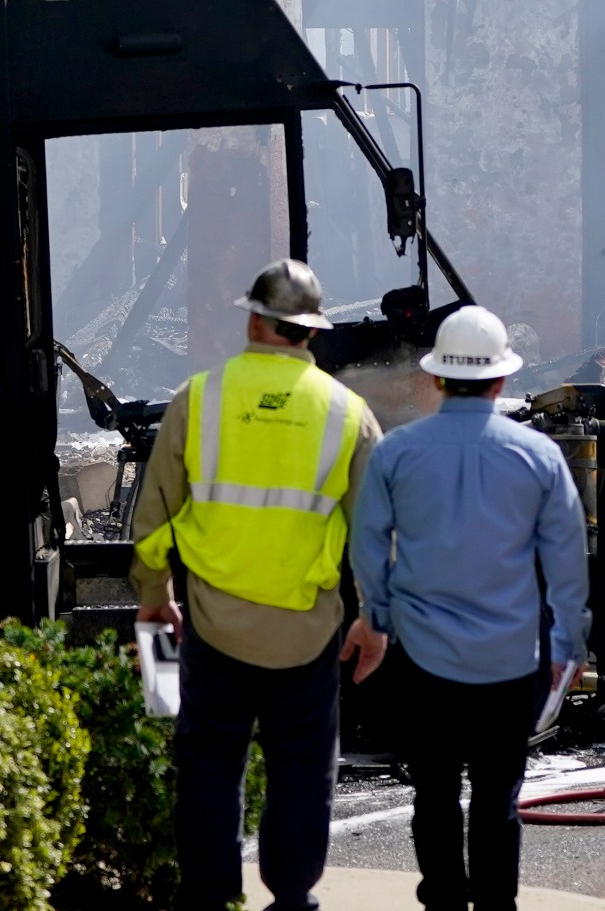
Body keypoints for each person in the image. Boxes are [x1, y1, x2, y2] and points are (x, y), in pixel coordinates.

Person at [133, 258, 385, 911]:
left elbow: (154, 512)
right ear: (311, 330)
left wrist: (154, 596)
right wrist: (372, 618)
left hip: (214, 627)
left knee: (210, 767)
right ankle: (292, 896)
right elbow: (375, 534)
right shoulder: (347, 413)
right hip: (306, 632)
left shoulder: (199, 398)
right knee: (302, 771)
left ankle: (211, 896)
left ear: (254, 319)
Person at [347, 306, 589, 911]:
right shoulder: (538, 456)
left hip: (423, 660)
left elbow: (368, 546)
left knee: (433, 793)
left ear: (435, 379)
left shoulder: (397, 453)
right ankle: (496, 905)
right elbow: (566, 564)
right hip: (508, 662)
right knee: (497, 798)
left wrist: (375, 619)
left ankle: (445, 902)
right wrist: (568, 646)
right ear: (501, 379)